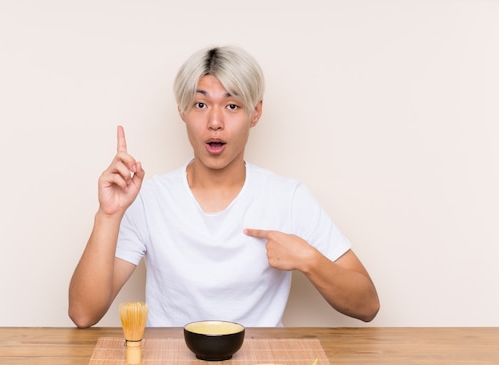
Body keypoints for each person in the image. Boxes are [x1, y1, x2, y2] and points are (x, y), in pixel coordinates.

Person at [68, 45, 379, 328]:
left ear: (255, 113)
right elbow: (84, 314)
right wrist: (108, 215)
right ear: (182, 112)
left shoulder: (288, 198)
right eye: (201, 105)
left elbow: (368, 305)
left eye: (232, 106)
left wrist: (310, 260)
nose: (215, 122)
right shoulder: (149, 198)